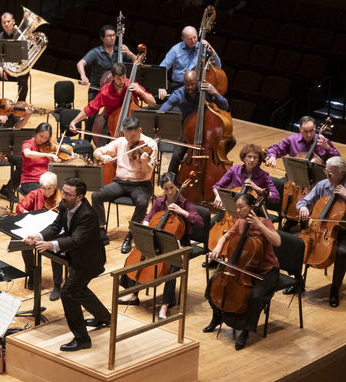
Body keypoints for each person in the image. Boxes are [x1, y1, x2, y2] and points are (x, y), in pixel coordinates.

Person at [24, 178, 110, 351]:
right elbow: (56, 226)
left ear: (79, 197)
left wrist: (51, 245)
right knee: (79, 290)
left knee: (68, 292)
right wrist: (39, 236)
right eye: (63, 192)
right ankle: (105, 317)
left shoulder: (87, 215)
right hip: (77, 257)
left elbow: (76, 239)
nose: (63, 196)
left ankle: (82, 338)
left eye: (68, 194)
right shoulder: (65, 205)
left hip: (89, 261)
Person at [117, 172, 203, 319]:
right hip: (157, 238)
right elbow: (149, 216)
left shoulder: (185, 203)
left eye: (172, 188)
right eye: (166, 189)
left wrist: (182, 212)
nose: (169, 192)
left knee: (172, 268)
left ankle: (164, 306)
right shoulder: (159, 202)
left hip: (178, 243)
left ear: (176, 186)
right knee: (140, 256)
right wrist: (145, 224)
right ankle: (133, 294)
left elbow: (200, 222)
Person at [205, 193, 280, 350]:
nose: (237, 210)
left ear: (252, 207)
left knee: (255, 296)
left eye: (241, 207)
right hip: (242, 269)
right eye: (237, 207)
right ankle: (217, 316)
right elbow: (225, 237)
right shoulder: (240, 222)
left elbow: (277, 241)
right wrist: (218, 247)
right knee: (214, 282)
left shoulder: (265, 222)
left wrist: (260, 225)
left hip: (265, 272)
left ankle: (245, 330)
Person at [91, 117, 157, 252]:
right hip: (120, 182)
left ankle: (130, 235)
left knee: (142, 203)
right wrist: (102, 156)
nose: (130, 140)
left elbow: (146, 171)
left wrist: (144, 161)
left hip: (141, 184)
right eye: (127, 136)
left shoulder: (150, 145)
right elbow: (97, 151)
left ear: (140, 130)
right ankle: (101, 229)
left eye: (132, 136)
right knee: (96, 195)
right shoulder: (121, 141)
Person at [297, 156, 346, 308]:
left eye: (331, 173)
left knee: (342, 253)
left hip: (344, 232)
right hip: (321, 229)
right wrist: (303, 207)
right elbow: (302, 201)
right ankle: (298, 282)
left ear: (342, 173)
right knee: (298, 245)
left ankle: (335, 289)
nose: (327, 175)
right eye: (326, 171)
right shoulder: (322, 185)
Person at [161, 69, 231, 175]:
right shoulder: (179, 94)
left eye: (192, 84)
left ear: (197, 80)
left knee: (231, 140)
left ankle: (214, 160)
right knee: (176, 156)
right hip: (188, 131)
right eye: (186, 84)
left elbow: (225, 106)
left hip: (208, 130)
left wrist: (216, 94)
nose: (189, 87)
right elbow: (164, 109)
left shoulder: (206, 89)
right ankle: (171, 181)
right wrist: (161, 115)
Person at [68, 63, 156, 140]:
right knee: (102, 150)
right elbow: (90, 108)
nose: (122, 81)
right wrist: (74, 121)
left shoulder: (132, 85)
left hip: (132, 125)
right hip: (112, 124)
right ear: (113, 78)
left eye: (123, 77)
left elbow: (153, 103)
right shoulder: (105, 92)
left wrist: (141, 92)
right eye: (118, 79)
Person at [16, 172, 64, 300]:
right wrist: (27, 213)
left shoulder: (61, 198)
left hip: (54, 231)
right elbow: (20, 206)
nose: (46, 192)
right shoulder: (36, 194)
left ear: (55, 186)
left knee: (56, 249)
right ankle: (32, 275)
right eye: (43, 188)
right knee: (24, 244)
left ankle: (57, 284)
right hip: (36, 229)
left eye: (49, 188)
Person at [212, 144, 279, 216]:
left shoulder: (264, 176)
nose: (252, 160)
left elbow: (276, 197)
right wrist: (218, 196)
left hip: (251, 215)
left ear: (259, 160)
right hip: (231, 211)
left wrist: (257, 188)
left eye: (255, 157)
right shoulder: (234, 170)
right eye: (249, 156)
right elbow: (216, 187)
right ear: (244, 158)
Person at [158, 25, 221, 99]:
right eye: (189, 39)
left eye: (195, 37)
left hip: (196, 88)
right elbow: (162, 68)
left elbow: (218, 67)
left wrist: (213, 52)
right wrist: (161, 86)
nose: (193, 41)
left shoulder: (203, 48)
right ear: (183, 39)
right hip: (178, 86)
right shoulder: (175, 49)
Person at [77, 25, 134, 103]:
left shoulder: (121, 51)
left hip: (115, 90)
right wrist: (83, 76)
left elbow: (136, 62)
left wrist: (130, 53)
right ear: (102, 38)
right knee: (92, 114)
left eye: (114, 35)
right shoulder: (96, 52)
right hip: (97, 89)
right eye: (109, 36)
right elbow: (80, 63)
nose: (112, 38)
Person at [20, 122, 76, 194]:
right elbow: (27, 153)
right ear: (36, 133)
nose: (42, 140)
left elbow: (56, 164)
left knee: (64, 195)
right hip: (30, 181)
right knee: (44, 195)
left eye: (46, 138)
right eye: (41, 136)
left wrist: (71, 159)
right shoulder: (28, 143)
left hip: (47, 181)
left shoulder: (48, 147)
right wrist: (45, 155)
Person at [0, 12, 33, 102]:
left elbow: (27, 53)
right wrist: (0, 67)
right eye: (4, 22)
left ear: (13, 22)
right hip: (5, 67)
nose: (6, 24)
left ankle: (21, 102)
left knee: (23, 78)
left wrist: (30, 39)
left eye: (8, 21)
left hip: (19, 67)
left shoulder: (22, 35)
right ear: (1, 23)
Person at [266, 115, 340, 168]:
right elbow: (275, 149)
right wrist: (272, 156)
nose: (309, 135)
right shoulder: (292, 140)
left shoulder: (323, 141)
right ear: (300, 129)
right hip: (296, 176)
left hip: (318, 181)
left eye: (311, 131)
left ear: (315, 127)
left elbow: (338, 160)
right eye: (305, 131)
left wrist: (327, 147)